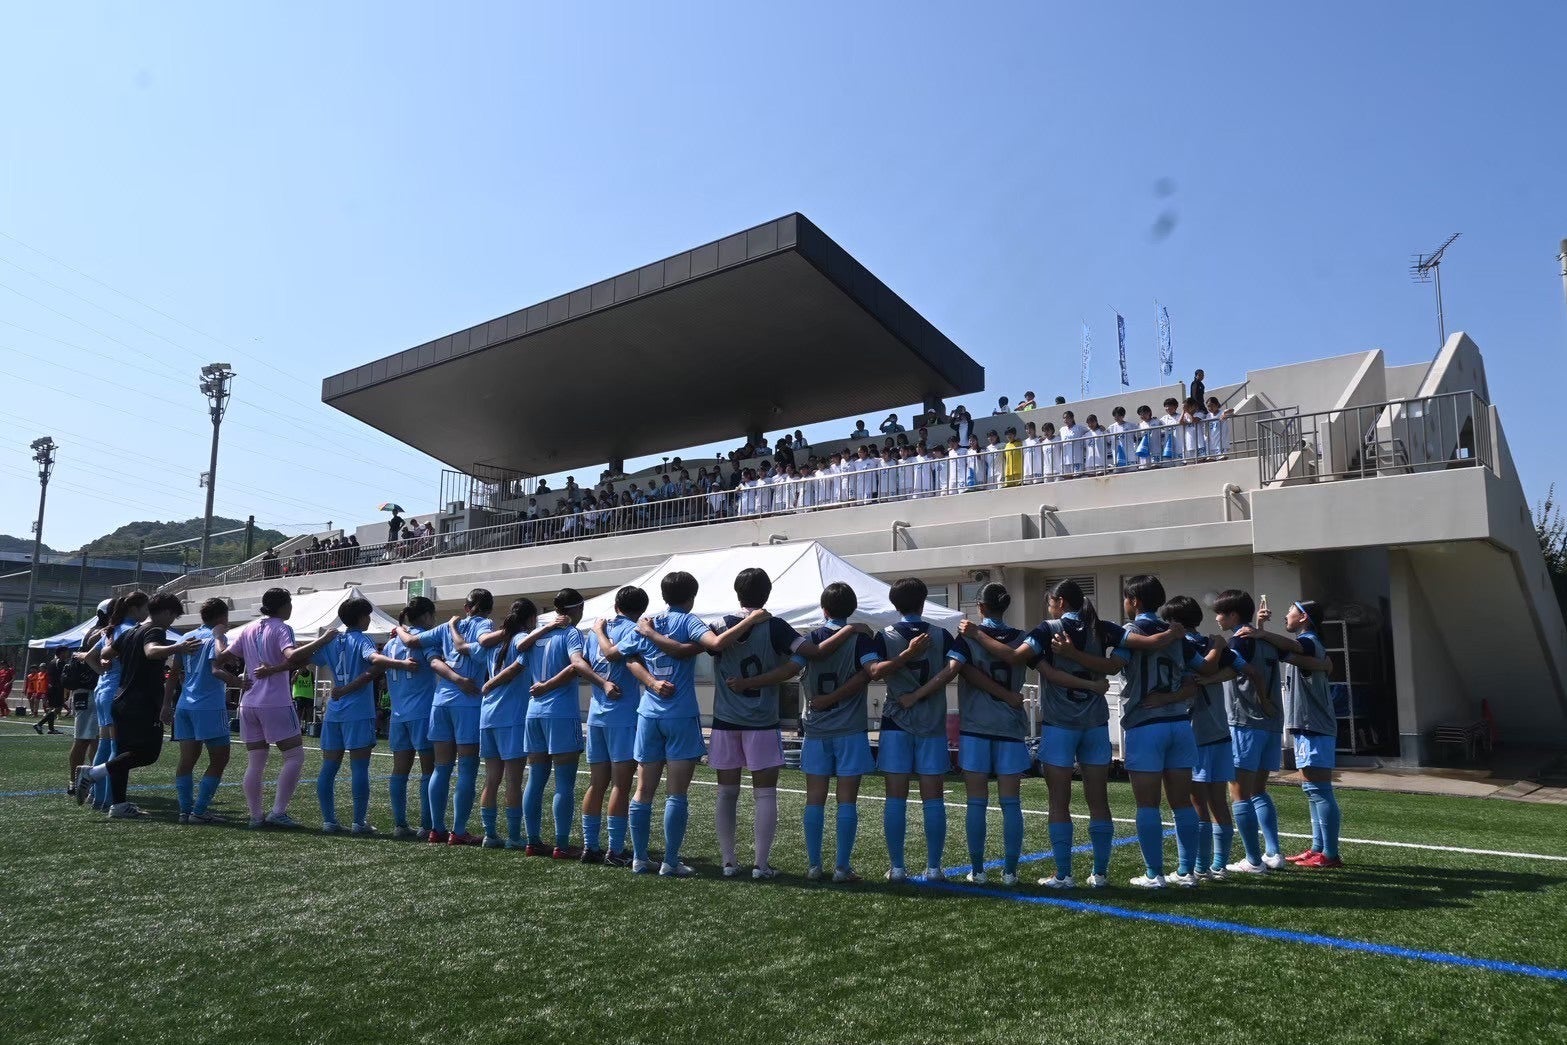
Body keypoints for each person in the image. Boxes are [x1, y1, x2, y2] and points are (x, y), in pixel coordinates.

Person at [1050, 576, 1215, 888]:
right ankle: (1186, 872)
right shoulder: (1176, 633)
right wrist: (1217, 646)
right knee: (1182, 803)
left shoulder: (1132, 631)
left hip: (1145, 724)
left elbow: (1112, 666)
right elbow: (1204, 669)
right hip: (1180, 723)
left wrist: (1072, 654)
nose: (1124, 604)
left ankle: (1155, 874)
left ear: (1134, 601)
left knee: (1148, 805)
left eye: (1126, 598)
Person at [704, 570, 862, 880]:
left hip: (725, 720)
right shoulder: (775, 626)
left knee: (726, 793)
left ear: (737, 592)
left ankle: (728, 862)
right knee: (765, 794)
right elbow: (815, 652)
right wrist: (850, 629)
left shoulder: (719, 625)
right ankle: (760, 865)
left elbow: (710, 646)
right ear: (767, 594)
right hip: (762, 722)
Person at [962, 579, 1116, 888]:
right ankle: (1099, 874)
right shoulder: (1102, 627)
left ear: (1060, 602)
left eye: (1050, 602)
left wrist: (977, 634)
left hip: (1053, 725)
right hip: (1095, 723)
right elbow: (1122, 658)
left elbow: (1015, 658)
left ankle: (1062, 874)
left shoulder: (1046, 630)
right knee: (1099, 800)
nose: (1049, 608)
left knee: (1056, 802)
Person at [598, 571, 753, 877]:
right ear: (692, 597)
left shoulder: (649, 622)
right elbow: (717, 643)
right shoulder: (688, 621)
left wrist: (649, 680)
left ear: (663, 596)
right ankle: (670, 861)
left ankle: (640, 858)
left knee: (643, 791)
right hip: (680, 715)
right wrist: (751, 620)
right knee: (676, 794)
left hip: (648, 715)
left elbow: (618, 656)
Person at [868, 577, 966, 883]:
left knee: (895, 797)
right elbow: (952, 671)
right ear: (924, 602)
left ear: (894, 604)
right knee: (933, 797)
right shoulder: (941, 634)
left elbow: (873, 673)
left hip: (895, 722)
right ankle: (934, 867)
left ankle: (897, 868)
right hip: (932, 722)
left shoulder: (884, 635)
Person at [75, 594, 201, 819]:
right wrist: (178, 647)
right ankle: (93, 773)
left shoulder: (131, 631)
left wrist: (108, 663)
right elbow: (151, 651)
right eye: (173, 616)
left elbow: (106, 652)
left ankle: (118, 805)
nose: (171, 622)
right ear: (166, 612)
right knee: (148, 754)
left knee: (122, 752)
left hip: (121, 699)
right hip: (142, 702)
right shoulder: (155, 630)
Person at [226, 588, 339, 829]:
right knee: (294, 756)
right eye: (289, 603)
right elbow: (291, 655)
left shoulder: (248, 628)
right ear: (284, 605)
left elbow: (222, 657)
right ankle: (278, 811)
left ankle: (255, 816)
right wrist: (322, 640)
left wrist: (234, 679)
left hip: (248, 702)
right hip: (275, 702)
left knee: (255, 762)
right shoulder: (282, 628)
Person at [792, 583, 880, 882]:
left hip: (817, 729)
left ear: (824, 609)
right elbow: (870, 673)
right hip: (850, 729)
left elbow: (791, 668)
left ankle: (814, 866)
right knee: (847, 800)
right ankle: (842, 867)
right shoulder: (861, 640)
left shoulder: (810, 640)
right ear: (852, 609)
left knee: (814, 798)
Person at [396, 588, 495, 845]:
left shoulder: (445, 627)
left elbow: (411, 642)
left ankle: (436, 829)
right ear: (489, 610)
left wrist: (398, 629)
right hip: (468, 703)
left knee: (441, 768)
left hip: (440, 702)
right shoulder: (485, 625)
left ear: (466, 607)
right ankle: (458, 831)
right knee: (467, 768)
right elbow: (482, 644)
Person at [1248, 599, 1342, 868]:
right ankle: (1318, 847)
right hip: (1306, 725)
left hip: (1315, 725)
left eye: (1290, 612)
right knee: (1311, 789)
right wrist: (1260, 628)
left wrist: (1261, 633)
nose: (1285, 616)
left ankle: (1330, 854)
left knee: (1319, 790)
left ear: (1303, 617)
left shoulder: (1308, 641)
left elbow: (1292, 648)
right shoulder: (1307, 647)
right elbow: (1283, 652)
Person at [1161, 595, 1247, 879]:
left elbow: (1203, 669)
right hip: (1219, 729)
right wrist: (1215, 669)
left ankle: (1200, 867)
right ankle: (1219, 865)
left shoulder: (1182, 645)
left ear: (1174, 621)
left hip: (1194, 730)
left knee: (1196, 802)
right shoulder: (1211, 642)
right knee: (1218, 801)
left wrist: (1208, 675)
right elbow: (1240, 667)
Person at [312, 597, 413, 835]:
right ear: (360, 618)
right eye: (367, 615)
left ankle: (329, 821)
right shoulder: (362, 640)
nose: (369, 619)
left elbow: (305, 658)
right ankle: (358, 822)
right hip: (357, 711)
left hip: (334, 711)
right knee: (359, 768)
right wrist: (400, 663)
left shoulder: (332, 641)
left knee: (328, 768)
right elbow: (374, 659)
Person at [1213, 589, 1287, 873]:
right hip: (1271, 724)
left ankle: (1254, 860)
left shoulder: (1238, 641)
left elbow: (1234, 670)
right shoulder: (1265, 639)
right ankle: (1273, 853)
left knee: (1239, 793)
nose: (1217, 618)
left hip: (1245, 722)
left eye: (1220, 613)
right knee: (1258, 791)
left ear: (1233, 615)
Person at [583, 587, 649, 865]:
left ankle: (590, 846)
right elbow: (617, 656)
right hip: (622, 717)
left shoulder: (594, 631)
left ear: (616, 605)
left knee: (596, 783)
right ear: (641, 609)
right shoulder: (635, 630)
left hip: (595, 715)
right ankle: (615, 850)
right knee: (621, 785)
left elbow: (585, 664)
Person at [474, 599, 543, 850]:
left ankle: (489, 834)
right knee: (513, 780)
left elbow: (472, 648)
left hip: (488, 715)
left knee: (492, 779)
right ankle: (514, 836)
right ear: (531, 619)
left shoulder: (495, 642)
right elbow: (518, 664)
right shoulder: (520, 639)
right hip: (511, 716)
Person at [171, 598, 244, 825]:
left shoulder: (186, 637)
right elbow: (216, 669)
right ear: (222, 617)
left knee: (187, 760)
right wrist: (239, 682)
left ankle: (185, 810)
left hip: (184, 705)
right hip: (209, 706)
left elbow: (174, 672)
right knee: (220, 758)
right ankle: (200, 811)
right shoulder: (216, 637)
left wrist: (165, 704)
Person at [83, 591, 150, 811]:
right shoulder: (131, 630)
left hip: (102, 689)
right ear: (135, 609)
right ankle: (110, 799)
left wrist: (103, 672)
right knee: (116, 746)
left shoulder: (112, 629)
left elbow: (90, 657)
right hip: (117, 692)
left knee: (104, 744)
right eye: (145, 608)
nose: (147, 612)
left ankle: (97, 796)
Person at [385, 596, 440, 839]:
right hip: (422, 712)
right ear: (427, 616)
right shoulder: (425, 639)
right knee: (429, 770)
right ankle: (426, 825)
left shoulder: (391, 644)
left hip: (398, 714)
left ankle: (400, 824)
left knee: (400, 771)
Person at [64, 601, 109, 797]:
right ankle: (76, 781)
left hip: (88, 691)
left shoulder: (96, 630)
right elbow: (93, 648)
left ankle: (86, 781)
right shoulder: (99, 632)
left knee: (93, 739)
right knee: (84, 739)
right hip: (89, 690)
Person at [35, 648, 68, 735]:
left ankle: (51, 729)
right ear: (61, 653)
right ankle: (39, 724)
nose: (67, 654)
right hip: (57, 688)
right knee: (58, 708)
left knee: (53, 708)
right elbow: (63, 676)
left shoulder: (52, 661)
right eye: (66, 652)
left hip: (52, 688)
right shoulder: (60, 662)